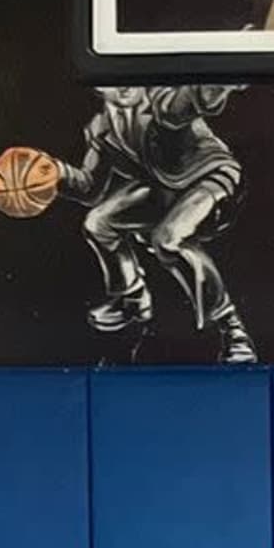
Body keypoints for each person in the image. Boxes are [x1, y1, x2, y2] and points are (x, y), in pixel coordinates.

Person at [64, 84, 253, 362]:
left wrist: (218, 84)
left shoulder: (161, 101)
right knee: (98, 223)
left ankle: (231, 328)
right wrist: (55, 174)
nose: (124, 85)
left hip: (211, 179)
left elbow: (188, 101)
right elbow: (90, 187)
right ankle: (132, 298)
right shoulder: (100, 129)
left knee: (168, 239)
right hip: (164, 190)